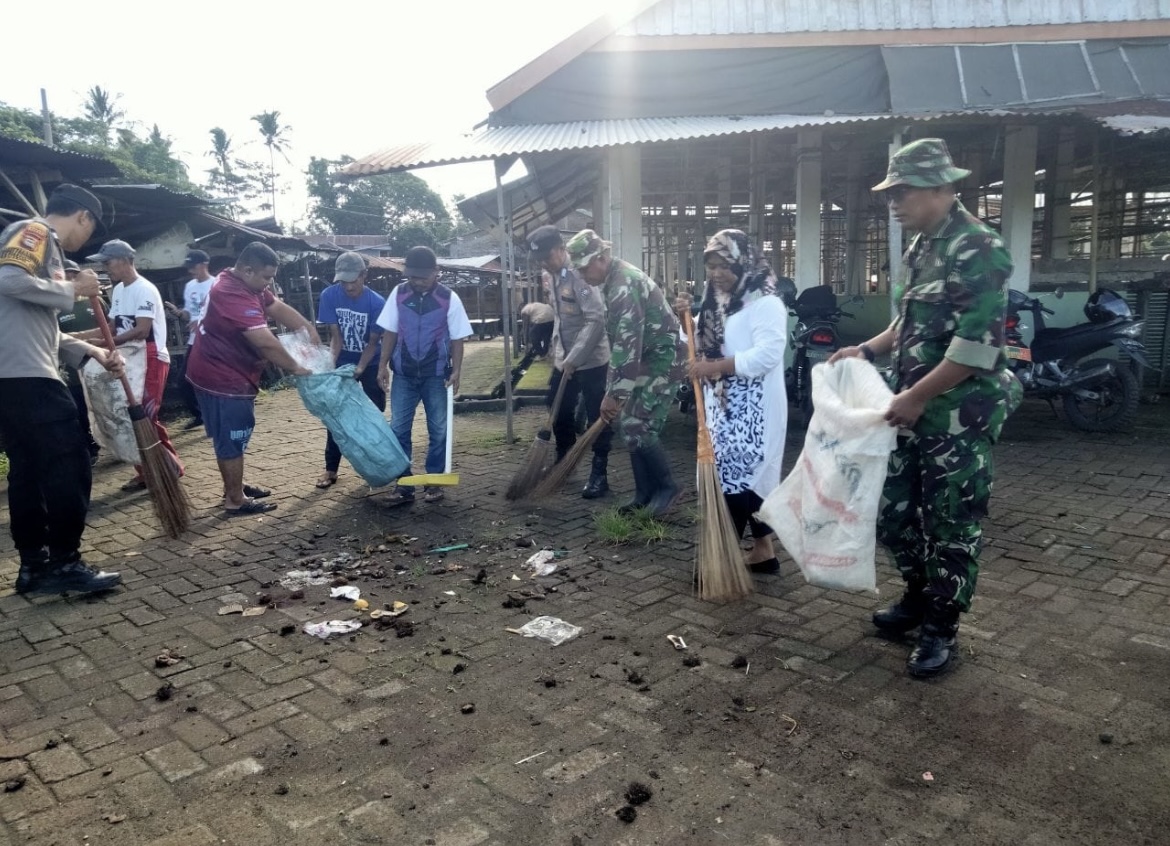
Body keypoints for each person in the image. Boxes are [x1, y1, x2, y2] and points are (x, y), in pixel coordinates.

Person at [830, 137, 1022, 679]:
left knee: (951, 523)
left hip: (958, 415)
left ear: (941, 187)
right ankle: (917, 594)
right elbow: (909, 320)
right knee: (891, 512)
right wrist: (867, 349)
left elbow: (977, 345)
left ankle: (941, 626)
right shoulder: (922, 246)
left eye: (904, 191)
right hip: (909, 410)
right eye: (890, 193)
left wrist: (916, 396)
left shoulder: (977, 247)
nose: (894, 202)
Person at [0, 183, 124, 595]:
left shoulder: (41, 246)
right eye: (91, 229)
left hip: (14, 376)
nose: (86, 237)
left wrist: (93, 350)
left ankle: (34, 567)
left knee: (29, 471)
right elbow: (8, 280)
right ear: (83, 216)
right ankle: (65, 563)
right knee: (70, 463)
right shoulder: (34, 232)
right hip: (29, 377)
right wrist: (74, 289)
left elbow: (39, 328)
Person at [675, 229, 788, 574]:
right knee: (745, 478)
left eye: (724, 265)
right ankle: (763, 552)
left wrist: (715, 367)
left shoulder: (766, 303)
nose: (717, 273)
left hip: (754, 411)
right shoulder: (716, 302)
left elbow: (768, 355)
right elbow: (695, 337)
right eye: (711, 266)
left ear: (744, 263)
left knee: (735, 479)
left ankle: (720, 562)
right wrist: (684, 317)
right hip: (723, 406)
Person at [185, 241, 318, 515]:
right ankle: (235, 499)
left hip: (219, 370)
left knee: (229, 436)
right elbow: (264, 342)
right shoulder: (230, 292)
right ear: (247, 270)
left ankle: (234, 486)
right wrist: (296, 367)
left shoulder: (244, 283)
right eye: (267, 277)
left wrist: (307, 328)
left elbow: (276, 306)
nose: (269, 283)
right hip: (222, 377)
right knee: (233, 436)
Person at [565, 229, 683, 517]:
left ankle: (667, 488)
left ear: (601, 258)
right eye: (578, 269)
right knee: (630, 426)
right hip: (645, 361)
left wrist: (613, 394)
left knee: (639, 427)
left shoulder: (623, 285)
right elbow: (625, 345)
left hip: (663, 361)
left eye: (584, 268)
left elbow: (626, 345)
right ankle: (644, 494)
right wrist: (617, 390)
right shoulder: (612, 280)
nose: (582, 275)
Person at [83, 239, 183, 491]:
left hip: (151, 356)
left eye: (108, 262)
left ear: (125, 260)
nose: (106, 267)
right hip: (128, 355)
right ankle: (146, 470)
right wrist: (80, 338)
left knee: (145, 415)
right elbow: (113, 326)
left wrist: (103, 343)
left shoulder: (144, 289)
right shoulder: (118, 291)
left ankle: (168, 467)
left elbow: (141, 330)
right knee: (128, 415)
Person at [376, 246, 472, 505]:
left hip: (436, 375)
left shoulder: (449, 298)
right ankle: (403, 484)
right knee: (398, 429)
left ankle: (434, 482)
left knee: (439, 430)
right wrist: (382, 365)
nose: (417, 281)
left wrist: (457, 370)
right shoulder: (399, 294)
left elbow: (458, 338)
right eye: (412, 276)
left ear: (436, 272)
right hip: (404, 375)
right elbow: (390, 332)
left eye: (422, 277)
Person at [527, 225, 613, 499]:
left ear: (561, 249)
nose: (543, 263)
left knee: (597, 414)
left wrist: (575, 358)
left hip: (592, 360)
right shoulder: (550, 275)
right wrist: (559, 354)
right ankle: (564, 460)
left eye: (547, 256)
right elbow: (561, 317)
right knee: (556, 405)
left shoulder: (580, 274)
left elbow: (596, 320)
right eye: (540, 259)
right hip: (564, 358)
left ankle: (599, 472)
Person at [315, 251, 386, 489]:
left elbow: (372, 343)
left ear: (364, 275)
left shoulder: (377, 303)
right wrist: (330, 367)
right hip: (343, 362)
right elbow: (336, 338)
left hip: (370, 362)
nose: (348, 286)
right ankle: (330, 469)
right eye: (343, 281)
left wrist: (361, 368)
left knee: (373, 414)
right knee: (335, 414)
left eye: (352, 280)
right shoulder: (329, 296)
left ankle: (376, 465)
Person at [56, 259, 105, 465]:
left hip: (100, 363)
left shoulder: (95, 301)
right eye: (66, 274)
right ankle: (91, 448)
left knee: (105, 405)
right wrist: (84, 338)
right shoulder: (57, 307)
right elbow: (55, 338)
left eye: (74, 274)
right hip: (74, 368)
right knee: (81, 410)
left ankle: (113, 442)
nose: (70, 277)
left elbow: (110, 326)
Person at [165, 249, 216, 430]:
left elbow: (223, 313)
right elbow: (189, 313)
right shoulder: (190, 286)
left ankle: (217, 416)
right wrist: (178, 313)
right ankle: (199, 415)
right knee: (184, 380)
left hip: (214, 340)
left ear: (204, 265)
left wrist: (203, 321)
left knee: (212, 381)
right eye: (189, 267)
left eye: (193, 266)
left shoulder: (216, 284)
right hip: (195, 340)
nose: (190, 271)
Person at [520, 292, 555, 359]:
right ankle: (545, 353)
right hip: (552, 317)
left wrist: (526, 340)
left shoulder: (524, 310)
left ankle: (540, 353)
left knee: (533, 335)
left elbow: (526, 327)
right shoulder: (533, 305)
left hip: (542, 318)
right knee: (546, 337)